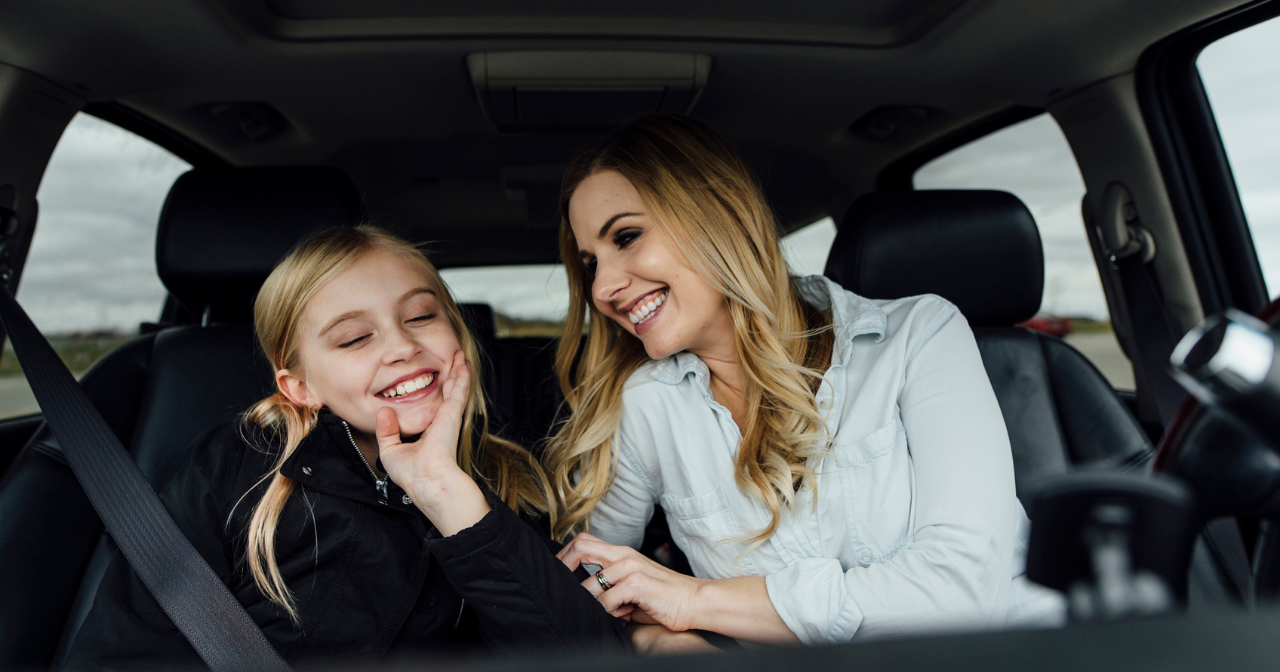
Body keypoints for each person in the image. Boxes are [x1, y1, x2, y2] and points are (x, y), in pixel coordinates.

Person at [544, 114, 1059, 649]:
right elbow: (592, 585)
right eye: (589, 264)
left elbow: (963, 593)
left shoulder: (919, 338)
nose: (603, 287)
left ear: (717, 216)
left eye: (626, 237)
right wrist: (659, 640)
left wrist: (693, 600)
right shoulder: (647, 404)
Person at [67, 225, 626, 669]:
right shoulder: (240, 470)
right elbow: (127, 648)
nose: (403, 346)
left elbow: (581, 655)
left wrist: (447, 497)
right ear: (300, 387)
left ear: (457, 332)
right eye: (355, 338)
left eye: (421, 316)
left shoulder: (505, 484)